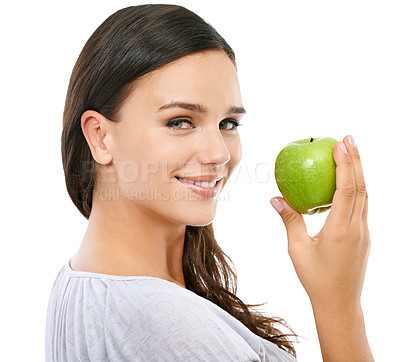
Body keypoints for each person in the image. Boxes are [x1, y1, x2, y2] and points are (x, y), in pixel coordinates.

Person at [45, 4, 374, 361]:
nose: (218, 153)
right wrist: (339, 307)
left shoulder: (79, 281)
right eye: (180, 121)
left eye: (228, 123)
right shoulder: (169, 324)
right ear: (100, 136)